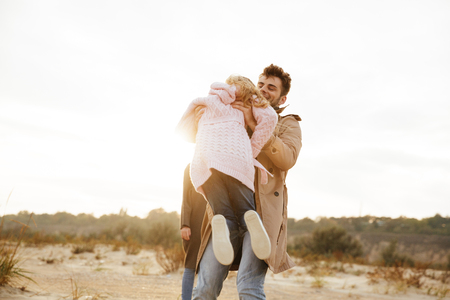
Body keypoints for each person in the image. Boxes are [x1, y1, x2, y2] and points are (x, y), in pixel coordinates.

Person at [192, 64, 302, 299]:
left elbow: (287, 158)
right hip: (224, 212)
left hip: (260, 217)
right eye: (260, 84)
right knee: (205, 286)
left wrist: (255, 124)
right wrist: (202, 116)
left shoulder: (287, 123)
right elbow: (201, 137)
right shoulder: (233, 108)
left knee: (248, 285)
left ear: (282, 99)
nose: (263, 90)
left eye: (271, 88)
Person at [176, 75, 278, 267]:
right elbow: (270, 118)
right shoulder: (248, 98)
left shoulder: (209, 98)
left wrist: (199, 122)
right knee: (245, 212)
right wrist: (251, 150)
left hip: (204, 159)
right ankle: (250, 218)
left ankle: (220, 221)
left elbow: (183, 128)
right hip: (235, 158)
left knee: (223, 214)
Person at [180, 164, 206, 300]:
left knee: (208, 270)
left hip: (215, 225)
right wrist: (185, 224)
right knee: (190, 266)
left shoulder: (220, 165)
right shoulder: (191, 166)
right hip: (194, 224)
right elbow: (185, 197)